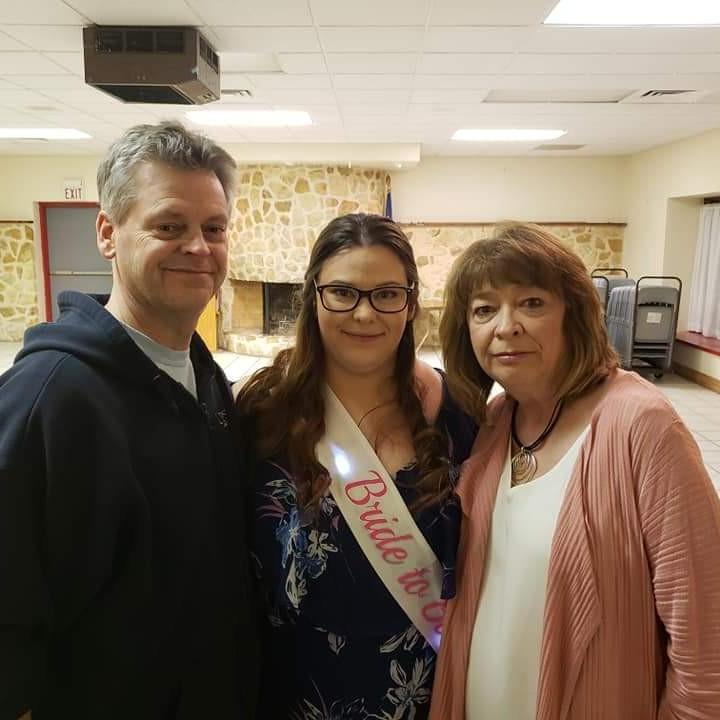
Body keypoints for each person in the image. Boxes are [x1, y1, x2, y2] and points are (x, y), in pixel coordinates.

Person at [0, 122, 258, 720]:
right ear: (107, 234)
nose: (199, 247)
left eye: (214, 228)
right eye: (169, 226)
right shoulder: (46, 403)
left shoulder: (204, 380)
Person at [429, 222, 720, 720]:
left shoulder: (642, 426)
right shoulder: (495, 421)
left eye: (531, 303)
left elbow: (706, 645)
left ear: (575, 313)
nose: (506, 326)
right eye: (484, 309)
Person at [236, 212, 476, 719]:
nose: (364, 314)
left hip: (423, 696)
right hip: (294, 694)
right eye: (343, 292)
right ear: (313, 296)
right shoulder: (261, 412)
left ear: (411, 303)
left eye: (386, 294)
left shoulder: (462, 416)